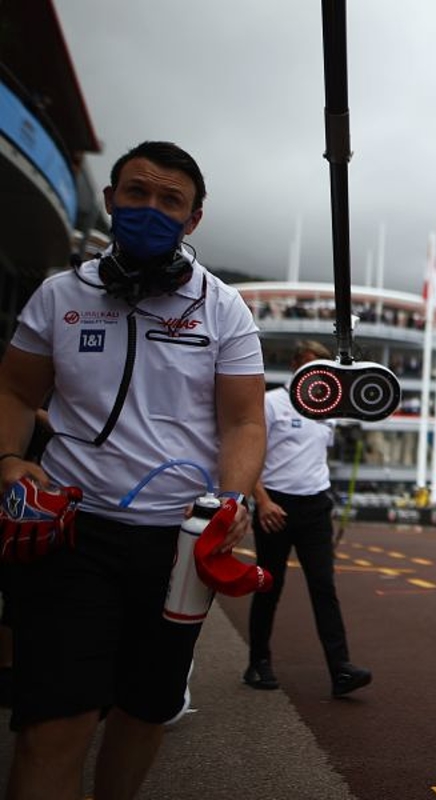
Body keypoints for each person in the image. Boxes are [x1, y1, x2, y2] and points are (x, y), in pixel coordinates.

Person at [0, 140, 266, 800]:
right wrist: (8, 459)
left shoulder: (223, 308)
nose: (150, 208)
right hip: (70, 535)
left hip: (178, 544)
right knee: (51, 726)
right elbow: (14, 391)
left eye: (170, 199)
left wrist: (231, 501)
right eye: (137, 193)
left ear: (193, 220)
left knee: (144, 711)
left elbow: (243, 421)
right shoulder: (61, 294)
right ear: (111, 200)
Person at [243, 340, 372, 698]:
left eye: (326, 367)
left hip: (316, 506)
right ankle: (258, 662)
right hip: (276, 508)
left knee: (324, 587)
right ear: (298, 363)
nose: (320, 374)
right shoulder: (270, 403)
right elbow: (247, 454)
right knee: (269, 586)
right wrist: (263, 502)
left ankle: (341, 669)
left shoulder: (327, 407)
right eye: (315, 365)